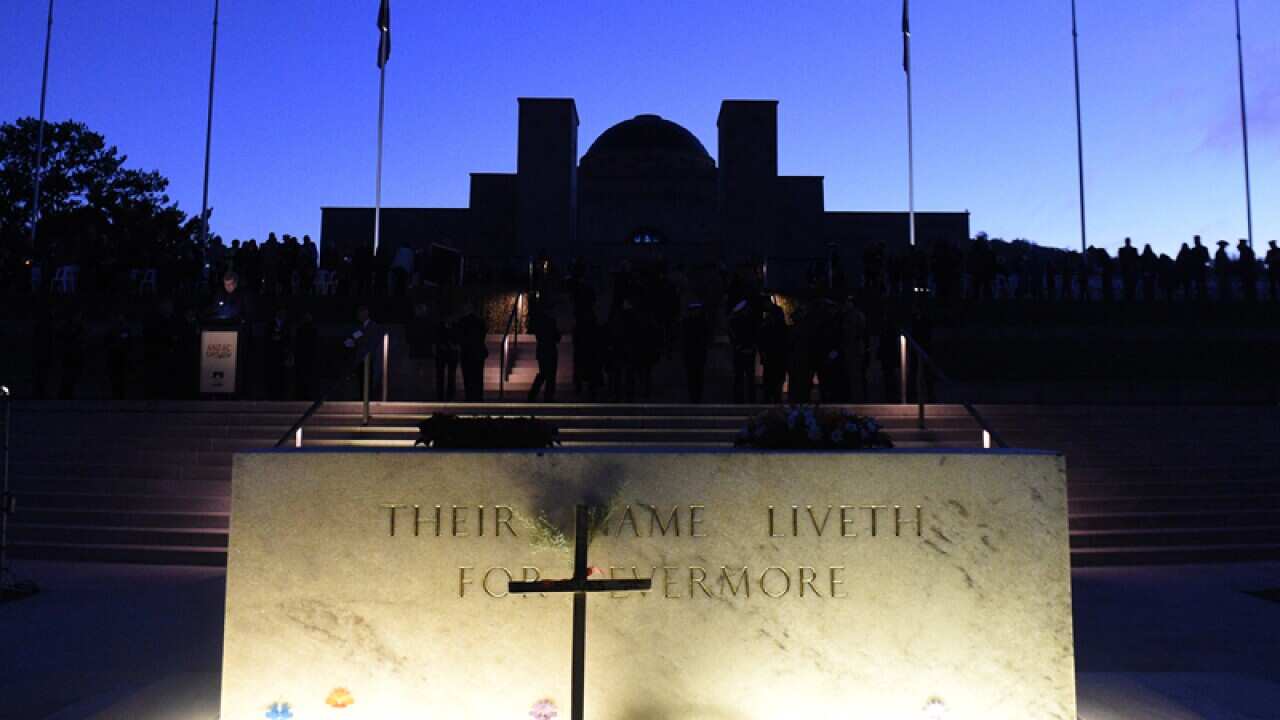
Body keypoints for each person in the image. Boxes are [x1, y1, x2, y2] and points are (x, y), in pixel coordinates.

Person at [343, 305, 382, 398]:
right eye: (358, 314)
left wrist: (357, 341)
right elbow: (356, 339)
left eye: (361, 313)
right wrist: (352, 342)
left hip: (368, 359)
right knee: (361, 384)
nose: (359, 316)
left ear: (366, 313)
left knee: (367, 385)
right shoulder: (359, 327)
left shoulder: (373, 326)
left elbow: (371, 342)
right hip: (360, 360)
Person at [527, 301, 561, 402]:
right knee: (550, 375)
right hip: (550, 349)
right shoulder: (551, 321)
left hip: (542, 350)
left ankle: (533, 395)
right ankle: (547, 396)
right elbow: (557, 337)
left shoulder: (539, 322)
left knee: (543, 373)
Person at [757, 303, 789, 404]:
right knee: (774, 382)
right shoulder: (781, 327)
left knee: (772, 381)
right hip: (775, 358)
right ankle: (773, 399)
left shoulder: (768, 326)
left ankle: (771, 399)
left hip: (774, 358)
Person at [727, 299, 758, 403]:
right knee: (744, 378)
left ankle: (740, 399)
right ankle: (747, 399)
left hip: (742, 351)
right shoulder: (747, 321)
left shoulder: (738, 321)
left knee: (742, 378)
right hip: (744, 351)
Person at [456, 303, 488, 401]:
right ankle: (478, 396)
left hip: (467, 352)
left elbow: (459, 337)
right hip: (478, 352)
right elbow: (483, 334)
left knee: (468, 377)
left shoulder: (462, 321)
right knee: (478, 376)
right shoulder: (480, 322)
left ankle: (469, 396)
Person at [681, 303, 711, 403]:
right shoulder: (690, 323)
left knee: (697, 375)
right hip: (692, 352)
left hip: (697, 352)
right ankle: (694, 395)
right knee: (693, 375)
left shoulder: (699, 323)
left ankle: (696, 395)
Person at [263, 308, 294, 400]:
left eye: (284, 313)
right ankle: (272, 395)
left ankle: (282, 396)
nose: (283, 315)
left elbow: (289, 339)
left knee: (283, 377)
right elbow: (268, 339)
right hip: (273, 355)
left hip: (283, 354)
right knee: (273, 376)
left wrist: (289, 353)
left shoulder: (287, 325)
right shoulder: (270, 324)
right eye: (281, 312)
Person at [294, 312, 317, 400]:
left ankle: (303, 395)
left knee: (305, 378)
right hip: (304, 357)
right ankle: (303, 395)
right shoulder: (302, 329)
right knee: (304, 378)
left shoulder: (308, 329)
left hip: (306, 358)